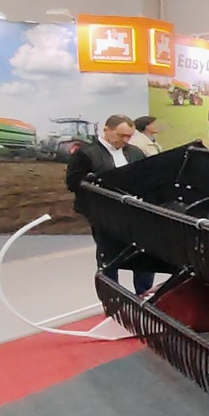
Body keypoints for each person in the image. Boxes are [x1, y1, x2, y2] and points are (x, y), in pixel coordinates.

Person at [65, 115, 149, 291]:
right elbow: (73, 183)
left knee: (144, 252)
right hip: (103, 214)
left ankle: (145, 294)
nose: (125, 140)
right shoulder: (86, 154)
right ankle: (112, 295)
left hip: (134, 212)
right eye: (121, 135)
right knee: (109, 255)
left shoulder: (135, 152)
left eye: (129, 136)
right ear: (106, 130)